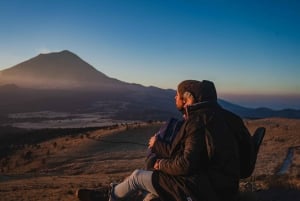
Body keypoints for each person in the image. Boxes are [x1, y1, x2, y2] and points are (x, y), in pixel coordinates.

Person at [77, 79, 248, 201]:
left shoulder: (197, 122)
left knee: (138, 176)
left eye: (177, 95)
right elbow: (194, 153)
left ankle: (109, 195)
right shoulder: (227, 118)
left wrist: (160, 164)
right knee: (154, 182)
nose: (174, 98)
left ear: (187, 98)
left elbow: (186, 164)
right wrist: (159, 147)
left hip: (205, 191)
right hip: (224, 187)